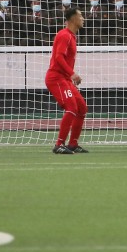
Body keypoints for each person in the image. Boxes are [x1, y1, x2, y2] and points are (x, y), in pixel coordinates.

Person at [46, 8, 87, 154]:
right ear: (72, 19)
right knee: (71, 107)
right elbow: (58, 57)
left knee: (82, 107)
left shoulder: (71, 36)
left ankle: (73, 144)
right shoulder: (64, 35)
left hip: (64, 78)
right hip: (56, 78)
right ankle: (59, 145)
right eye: (80, 15)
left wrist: (69, 75)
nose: (83, 18)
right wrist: (72, 73)